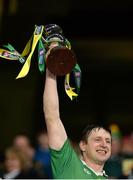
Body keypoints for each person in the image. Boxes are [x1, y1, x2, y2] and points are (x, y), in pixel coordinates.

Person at [43, 69, 112, 179]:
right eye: (97, 140)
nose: (104, 144)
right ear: (83, 145)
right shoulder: (67, 163)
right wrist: (51, 71)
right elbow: (52, 117)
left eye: (108, 141)